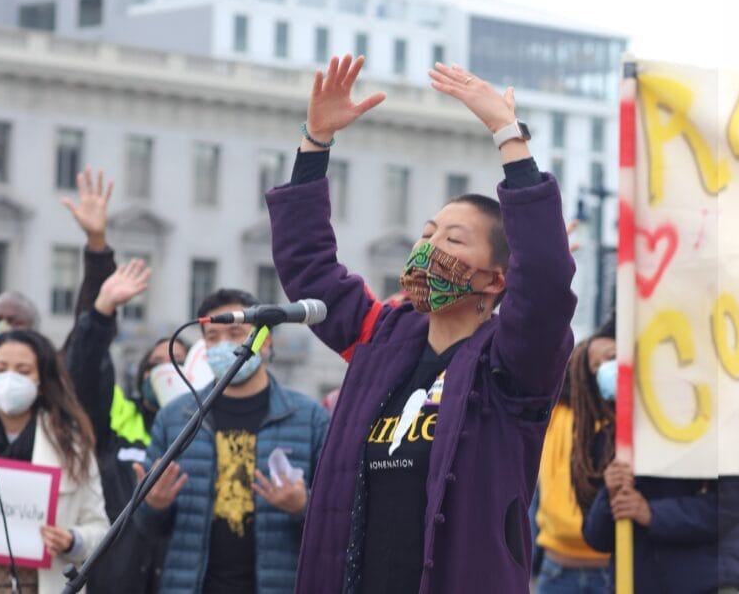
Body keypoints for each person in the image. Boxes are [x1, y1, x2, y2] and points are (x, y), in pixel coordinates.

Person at [268, 54, 577, 593]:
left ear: (497, 279)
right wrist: (315, 142)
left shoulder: (509, 366)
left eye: (454, 240)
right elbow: (309, 268)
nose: (430, 247)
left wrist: (508, 134)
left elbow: (548, 283)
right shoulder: (382, 339)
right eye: (428, 233)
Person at [134, 288, 330, 594]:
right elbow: (145, 527)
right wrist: (153, 504)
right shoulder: (176, 418)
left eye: (235, 333)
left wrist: (302, 507)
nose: (223, 345)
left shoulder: (310, 419)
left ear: (265, 342)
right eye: (212, 338)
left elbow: (337, 525)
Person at [577, 332, 739, 593]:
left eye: (615, 358)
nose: (611, 370)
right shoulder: (607, 442)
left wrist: (652, 514)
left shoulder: (710, 424)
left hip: (707, 581)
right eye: (598, 367)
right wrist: (610, 493)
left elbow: (732, 505)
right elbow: (597, 537)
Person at [0, 330, 109, 594]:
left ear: (42, 379)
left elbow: (99, 529)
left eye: (23, 370)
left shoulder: (71, 445)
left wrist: (72, 541)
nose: (11, 378)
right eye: (1, 368)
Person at [63, 258, 186, 594]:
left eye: (178, 363)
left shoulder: (203, 429)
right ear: (142, 376)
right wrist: (102, 312)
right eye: (156, 365)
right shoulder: (117, 420)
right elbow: (86, 375)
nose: (166, 372)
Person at [532, 320, 615, 594]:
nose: (604, 370)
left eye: (613, 362)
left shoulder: (621, 424)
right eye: (595, 366)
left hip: (610, 569)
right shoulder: (557, 413)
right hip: (557, 568)